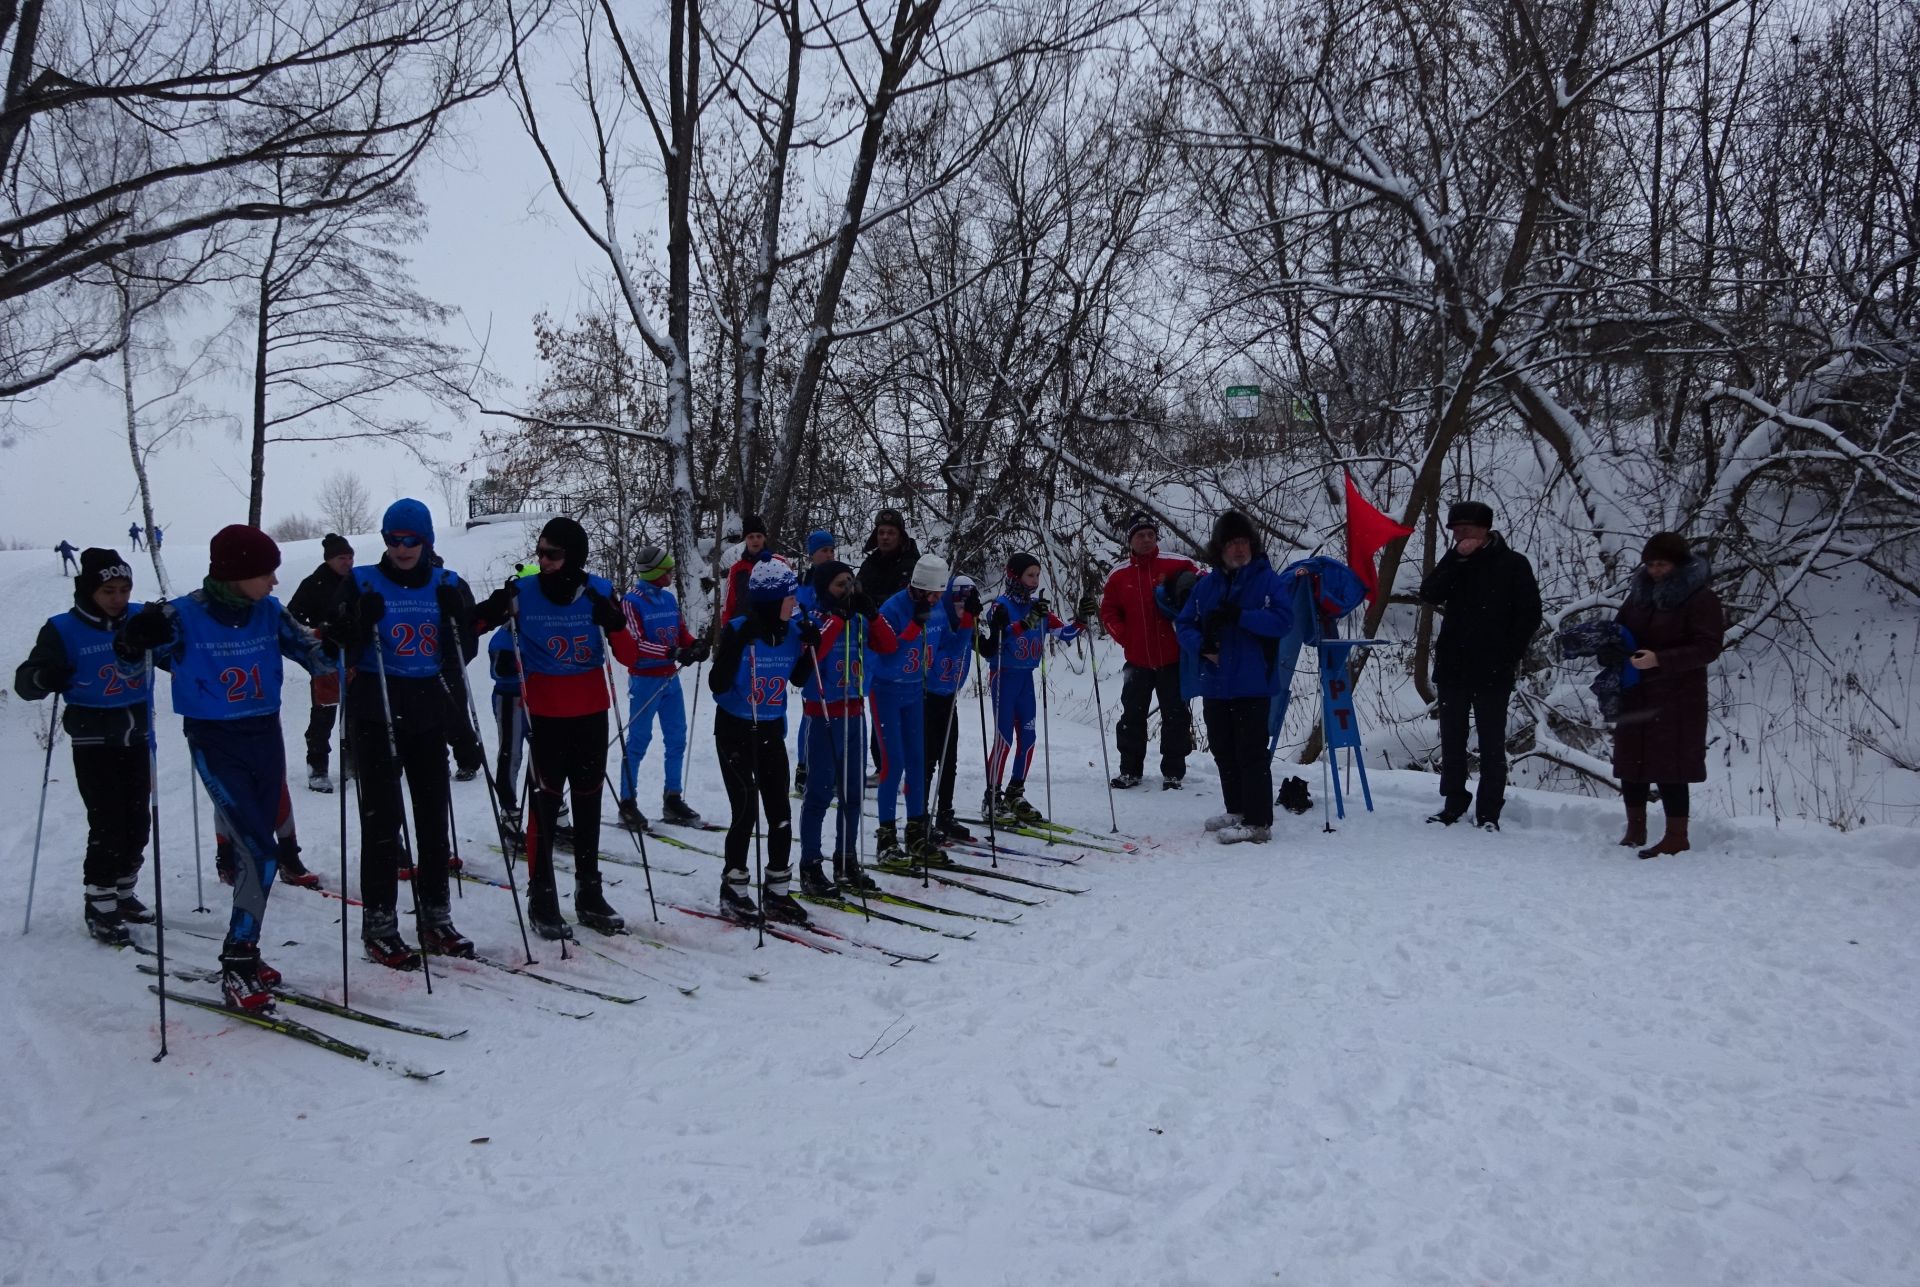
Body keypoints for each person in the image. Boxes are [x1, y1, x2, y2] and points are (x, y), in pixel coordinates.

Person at [113, 525, 333, 1011]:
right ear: (236, 574)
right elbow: (135, 666)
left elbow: (315, 655)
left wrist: (343, 639)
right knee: (258, 853)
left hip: (265, 736)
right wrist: (132, 641)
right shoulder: (182, 616)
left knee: (262, 853)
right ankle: (237, 961)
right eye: (265, 572)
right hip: (215, 739)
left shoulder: (269, 613)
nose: (274, 582)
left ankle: (247, 955)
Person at [471, 517, 640, 940]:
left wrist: (615, 621)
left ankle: (588, 892)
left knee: (587, 803)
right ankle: (541, 896)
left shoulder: (599, 591)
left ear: (574, 556)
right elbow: (470, 624)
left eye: (553, 554)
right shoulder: (522, 592)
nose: (543, 561)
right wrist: (490, 631)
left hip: (590, 714)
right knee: (544, 805)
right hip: (545, 716)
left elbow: (629, 656)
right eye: (540, 552)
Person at [327, 499, 477, 968]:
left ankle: (435, 915)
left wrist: (459, 618)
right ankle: (380, 925)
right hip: (377, 710)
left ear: (426, 539)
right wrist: (356, 622)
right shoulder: (362, 581)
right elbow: (339, 645)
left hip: (428, 708)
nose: (402, 547)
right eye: (394, 539)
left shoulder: (447, 584)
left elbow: (462, 652)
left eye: (411, 539)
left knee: (433, 819)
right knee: (382, 821)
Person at [13, 549, 151, 944]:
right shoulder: (62, 628)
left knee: (139, 820)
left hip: (137, 733)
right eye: (109, 590)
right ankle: (100, 900)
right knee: (108, 821)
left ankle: (124, 891)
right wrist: (44, 675)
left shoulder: (139, 619)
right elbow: (25, 682)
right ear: (90, 590)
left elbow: (173, 650)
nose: (118, 598)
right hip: (94, 738)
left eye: (124, 589)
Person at [1416, 500, 1543, 830]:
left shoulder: (1513, 564)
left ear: (1485, 530)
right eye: (1456, 531)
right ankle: (1454, 802)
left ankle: (1489, 811)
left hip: (1493, 669)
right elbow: (1429, 592)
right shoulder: (1455, 560)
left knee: (1491, 743)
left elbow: (1530, 615)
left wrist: (1508, 655)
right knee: (1452, 740)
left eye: (1466, 530)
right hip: (1453, 665)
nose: (1460, 535)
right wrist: (1455, 561)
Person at [1174, 511, 1292, 845]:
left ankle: (1258, 821)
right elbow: (1184, 625)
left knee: (1251, 753)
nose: (1238, 549)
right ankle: (1237, 809)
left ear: (1252, 545)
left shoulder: (1267, 580)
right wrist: (1202, 646)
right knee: (1224, 750)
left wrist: (1242, 616)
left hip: (1252, 682)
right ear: (1220, 549)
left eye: (1243, 542)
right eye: (1231, 543)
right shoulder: (1207, 585)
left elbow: (1283, 621)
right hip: (1215, 682)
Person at [708, 560, 809, 925]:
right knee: (746, 809)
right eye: (789, 597)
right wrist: (735, 644)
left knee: (780, 812)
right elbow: (716, 684)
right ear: (770, 600)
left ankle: (778, 892)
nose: (794, 603)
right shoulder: (739, 630)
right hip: (735, 730)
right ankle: (733, 888)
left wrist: (810, 647)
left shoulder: (794, 630)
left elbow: (799, 676)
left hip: (770, 730)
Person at [1612, 532, 1725, 858]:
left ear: (1678, 564)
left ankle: (1677, 836)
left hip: (1677, 696)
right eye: (1650, 564)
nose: (1655, 570)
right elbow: (1620, 630)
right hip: (1635, 691)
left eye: (1661, 564)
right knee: (1630, 762)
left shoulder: (1701, 599)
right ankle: (1635, 829)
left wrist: (1660, 659)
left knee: (1670, 767)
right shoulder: (1638, 596)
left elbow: (1708, 647)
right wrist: (1608, 646)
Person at [790, 560, 895, 895]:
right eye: (839, 585)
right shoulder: (812, 621)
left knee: (852, 794)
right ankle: (810, 865)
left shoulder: (859, 620)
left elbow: (889, 646)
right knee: (819, 793)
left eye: (851, 583)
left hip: (854, 713)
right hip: (822, 714)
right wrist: (838, 617)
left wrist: (873, 614)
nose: (848, 591)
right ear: (824, 589)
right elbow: (809, 660)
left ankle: (846, 861)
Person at [980, 552, 1082, 826]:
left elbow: (1066, 634)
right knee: (1004, 740)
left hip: (1026, 678)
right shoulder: (1000, 605)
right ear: (1014, 576)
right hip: (1003, 675)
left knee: (1029, 738)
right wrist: (1025, 622)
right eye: (1029, 575)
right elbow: (997, 633)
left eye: (1037, 575)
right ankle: (991, 798)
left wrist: (1082, 619)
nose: (1035, 581)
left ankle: (1016, 792)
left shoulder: (1040, 608)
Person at [1099, 512, 1196, 790]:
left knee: (1176, 715)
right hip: (1137, 659)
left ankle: (1174, 773)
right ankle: (1130, 771)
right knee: (1131, 716)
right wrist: (1125, 637)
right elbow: (1108, 612)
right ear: (1130, 540)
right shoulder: (1119, 574)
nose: (1146, 539)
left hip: (1173, 658)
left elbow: (1203, 591)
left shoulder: (1178, 564)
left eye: (1151, 534)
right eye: (1140, 535)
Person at [616, 544, 708, 832]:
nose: (670, 572)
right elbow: (636, 643)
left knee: (677, 738)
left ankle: (673, 798)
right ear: (655, 572)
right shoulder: (632, 601)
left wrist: (693, 644)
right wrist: (672, 652)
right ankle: (627, 803)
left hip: (671, 679)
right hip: (645, 680)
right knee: (639, 740)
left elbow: (679, 630)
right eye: (666, 568)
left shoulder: (668, 599)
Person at [870, 553, 952, 865]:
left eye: (939, 595)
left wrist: (967, 622)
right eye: (932, 595)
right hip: (888, 692)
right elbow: (884, 655)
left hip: (916, 690)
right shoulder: (893, 608)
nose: (935, 600)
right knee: (893, 764)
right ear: (917, 588)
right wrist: (912, 629)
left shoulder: (938, 609)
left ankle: (916, 831)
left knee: (919, 761)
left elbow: (947, 645)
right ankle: (886, 837)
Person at [288, 533, 354, 791]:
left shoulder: (355, 582)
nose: (347, 562)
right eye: (341, 558)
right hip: (324, 658)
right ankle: (317, 768)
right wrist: (317, 632)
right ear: (329, 560)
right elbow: (293, 617)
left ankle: (352, 763)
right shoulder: (313, 583)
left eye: (350, 557)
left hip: (353, 657)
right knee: (323, 715)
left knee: (355, 713)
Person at [922, 573, 981, 843]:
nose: (961, 611)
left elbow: (987, 648)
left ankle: (944, 813)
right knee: (928, 760)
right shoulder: (939, 620)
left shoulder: (966, 622)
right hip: (929, 696)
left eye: (965, 607)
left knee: (949, 760)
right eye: (957, 605)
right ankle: (919, 817)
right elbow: (937, 653)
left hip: (949, 697)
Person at [792, 528, 837, 793]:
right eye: (824, 551)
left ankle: (829, 767)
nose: (829, 555)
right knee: (811, 713)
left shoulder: (840, 578)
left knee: (834, 712)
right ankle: (804, 766)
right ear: (812, 555)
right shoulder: (806, 584)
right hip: (813, 655)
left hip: (835, 656)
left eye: (831, 550)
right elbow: (798, 615)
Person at [719, 514, 776, 622]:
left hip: (771, 628)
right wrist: (727, 629)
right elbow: (729, 604)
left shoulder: (777, 563)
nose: (755, 540)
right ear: (745, 539)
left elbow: (790, 598)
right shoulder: (736, 569)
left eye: (759, 536)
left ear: (764, 538)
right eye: (751, 537)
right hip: (743, 628)